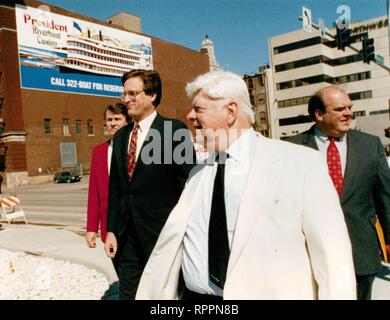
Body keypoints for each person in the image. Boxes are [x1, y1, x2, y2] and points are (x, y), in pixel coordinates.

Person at [135, 71, 356, 300]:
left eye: (198, 109)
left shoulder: (300, 164)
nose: (189, 116)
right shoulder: (198, 173)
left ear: (230, 111)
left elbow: (333, 258)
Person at [287, 85, 390, 300]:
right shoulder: (292, 148)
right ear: (319, 114)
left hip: (360, 251)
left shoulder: (370, 145)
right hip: (310, 255)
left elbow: (386, 198)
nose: (348, 113)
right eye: (340, 109)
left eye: (350, 107)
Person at [104, 69, 195, 300]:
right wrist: (112, 230)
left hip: (161, 234)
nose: (126, 100)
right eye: (125, 94)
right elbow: (116, 187)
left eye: (133, 94)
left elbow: (190, 185)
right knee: (129, 294)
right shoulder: (122, 136)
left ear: (152, 95)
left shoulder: (172, 131)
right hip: (126, 236)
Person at [85, 103, 131, 248]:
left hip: (135, 225)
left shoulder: (138, 148)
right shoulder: (98, 152)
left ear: (127, 121)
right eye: (109, 120)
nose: (113, 123)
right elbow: (94, 194)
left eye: (117, 119)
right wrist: (91, 228)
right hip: (110, 226)